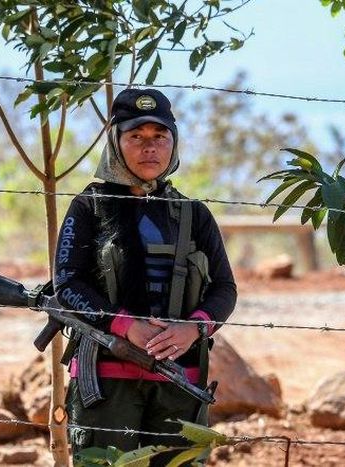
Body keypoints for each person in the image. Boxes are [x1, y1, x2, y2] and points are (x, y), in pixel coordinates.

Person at [53, 88, 237, 461]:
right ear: (116, 143)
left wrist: (193, 328)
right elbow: (67, 284)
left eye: (159, 137)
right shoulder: (89, 206)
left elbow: (224, 289)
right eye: (135, 137)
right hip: (104, 383)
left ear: (174, 142)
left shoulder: (194, 214)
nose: (149, 148)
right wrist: (125, 327)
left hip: (180, 381)